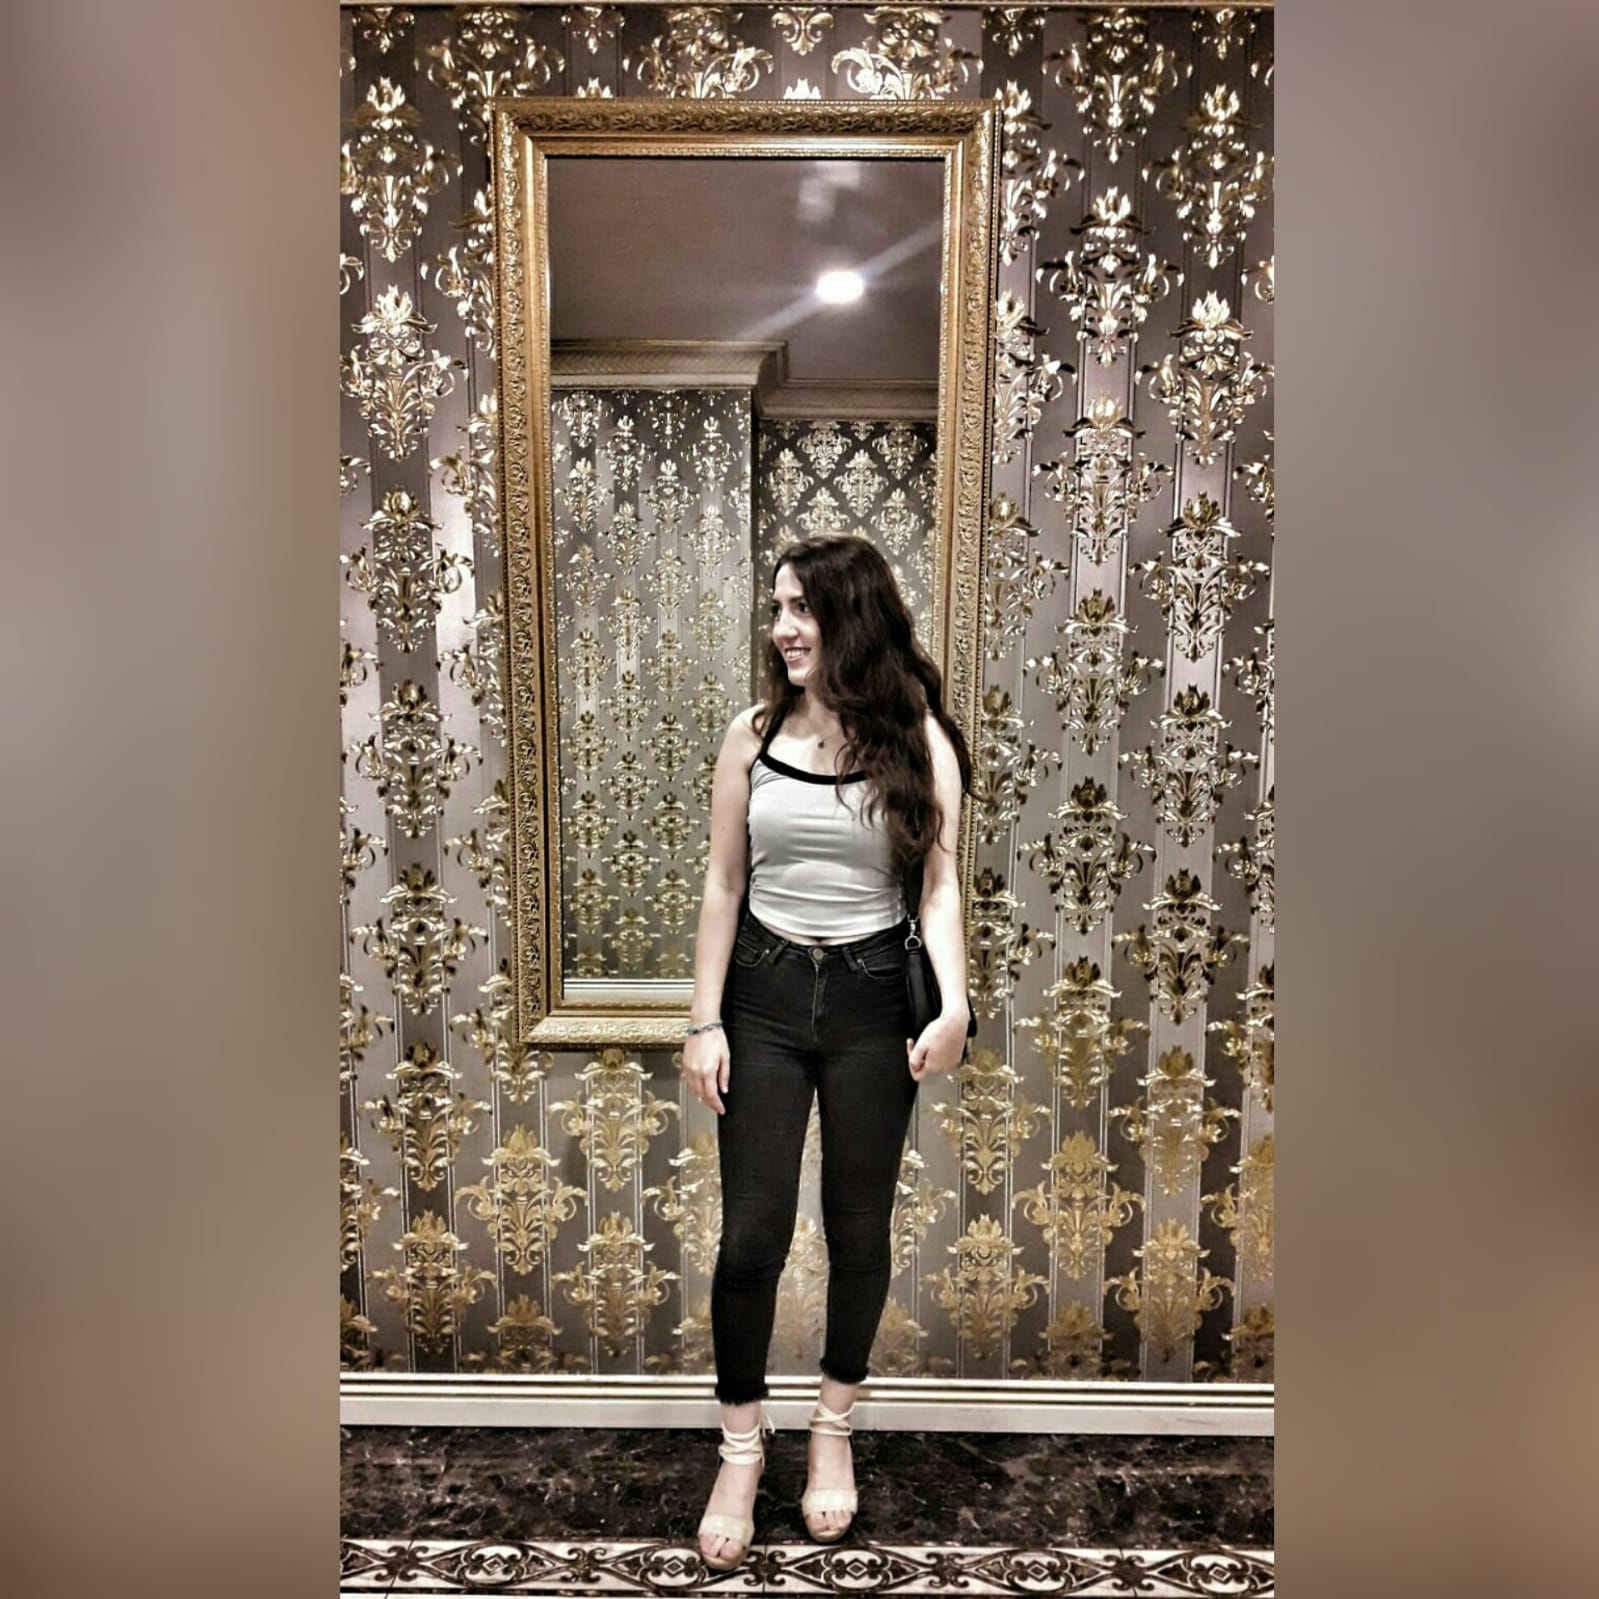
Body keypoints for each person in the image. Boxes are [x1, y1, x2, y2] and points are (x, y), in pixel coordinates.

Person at [681, 532, 973, 1571]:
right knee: (750, 1238)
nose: (781, 628)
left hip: (869, 1001)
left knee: (858, 1229)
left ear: (852, 617)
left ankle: (832, 1428)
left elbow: (938, 889)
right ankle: (740, 1450)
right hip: (762, 998)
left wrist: (955, 1006)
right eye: (777, 608)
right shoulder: (752, 735)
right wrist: (704, 1021)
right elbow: (723, 882)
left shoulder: (919, 741)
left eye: (800, 607)